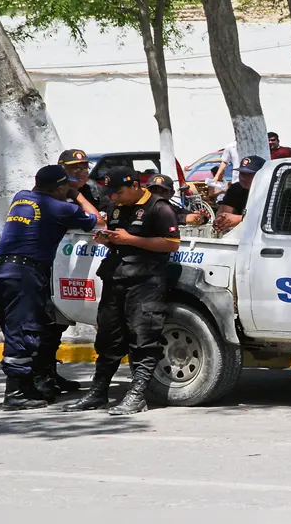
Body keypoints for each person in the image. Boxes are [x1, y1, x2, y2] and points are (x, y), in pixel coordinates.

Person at [63, 167, 180, 415]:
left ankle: (137, 395)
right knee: (108, 339)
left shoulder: (159, 208)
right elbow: (117, 233)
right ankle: (98, 392)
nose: (114, 196)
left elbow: (171, 244)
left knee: (143, 339)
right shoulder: (116, 207)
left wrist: (131, 240)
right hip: (114, 277)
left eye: (118, 191)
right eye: (111, 192)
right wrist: (108, 239)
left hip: (145, 282)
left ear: (135, 185)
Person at [0, 166, 104, 409]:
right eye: (65, 187)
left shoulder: (21, 197)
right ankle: (16, 394)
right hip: (23, 274)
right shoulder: (62, 207)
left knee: (19, 332)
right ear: (61, 187)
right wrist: (77, 195)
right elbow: (99, 222)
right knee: (23, 334)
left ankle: (29, 386)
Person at [213, 156, 266, 233]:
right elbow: (223, 213)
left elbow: (274, 220)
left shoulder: (273, 190)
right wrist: (220, 221)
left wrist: (240, 219)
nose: (243, 177)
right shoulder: (235, 188)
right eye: (242, 173)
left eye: (249, 174)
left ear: (262, 174)